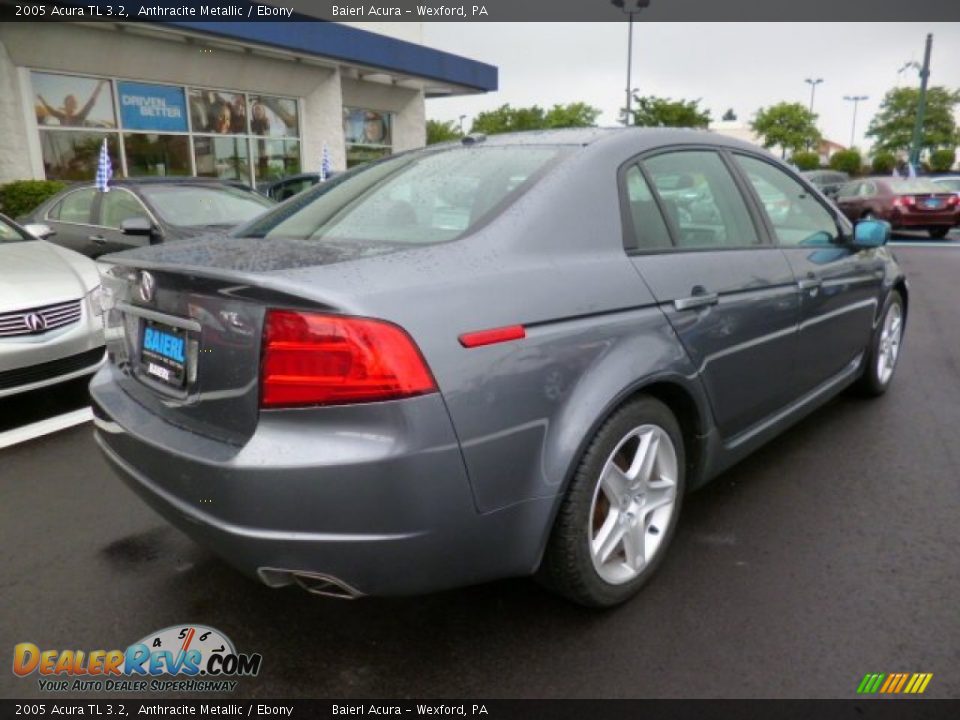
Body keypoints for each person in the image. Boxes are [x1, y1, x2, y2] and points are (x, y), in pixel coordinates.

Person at [36, 78, 109, 127]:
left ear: (75, 106)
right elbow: (50, 110)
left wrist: (100, 85)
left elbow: (90, 103)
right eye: (70, 102)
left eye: (73, 103)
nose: (72, 104)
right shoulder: (61, 116)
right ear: (65, 104)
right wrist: (41, 99)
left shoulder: (80, 117)